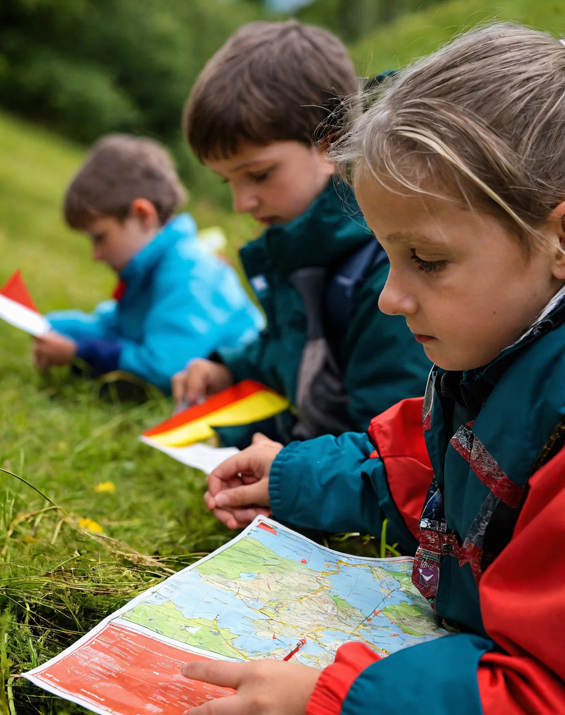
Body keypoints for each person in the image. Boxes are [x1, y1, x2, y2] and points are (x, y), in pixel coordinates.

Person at [180, 23, 565, 714]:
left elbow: (543, 688)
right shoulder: (495, 360)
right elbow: (427, 469)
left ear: (559, 239)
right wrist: (295, 474)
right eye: (389, 255)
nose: (390, 297)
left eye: (428, 259)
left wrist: (334, 697)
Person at [174, 20, 430, 447]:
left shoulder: (384, 268)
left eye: (258, 174)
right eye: (228, 182)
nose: (242, 202)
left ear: (330, 145)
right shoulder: (302, 247)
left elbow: (392, 441)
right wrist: (229, 368)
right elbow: (292, 350)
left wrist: (289, 477)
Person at [32, 134, 263, 393]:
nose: (95, 254)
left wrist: (81, 352)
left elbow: (166, 367)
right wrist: (48, 326)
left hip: (250, 393)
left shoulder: (190, 273)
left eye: (100, 237)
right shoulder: (153, 265)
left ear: (143, 215)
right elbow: (116, 327)